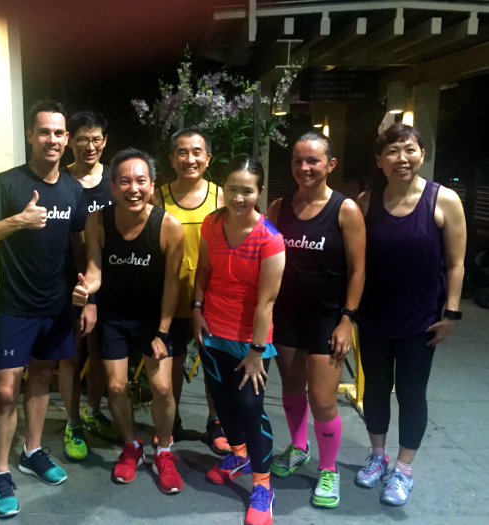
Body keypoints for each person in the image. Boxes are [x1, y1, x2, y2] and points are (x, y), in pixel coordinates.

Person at [0, 100, 87, 518]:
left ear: (67, 140)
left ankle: (32, 452)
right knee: (4, 391)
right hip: (15, 307)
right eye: (44, 131)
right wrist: (18, 221)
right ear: (30, 135)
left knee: (42, 379)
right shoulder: (7, 184)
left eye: (59, 133)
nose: (52, 139)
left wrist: (86, 288)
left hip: (56, 307)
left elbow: (79, 245)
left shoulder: (72, 189)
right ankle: (1, 473)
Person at [355, 123, 466, 506]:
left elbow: (456, 264)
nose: (401, 159)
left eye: (409, 150)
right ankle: (377, 456)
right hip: (373, 317)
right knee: (374, 390)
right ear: (379, 160)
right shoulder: (366, 202)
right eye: (392, 151)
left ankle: (403, 469)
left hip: (422, 321)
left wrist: (451, 314)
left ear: (421, 154)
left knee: (411, 393)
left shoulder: (443, 199)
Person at [72, 148, 185, 494]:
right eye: (124, 181)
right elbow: (94, 270)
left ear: (152, 185)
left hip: (152, 319)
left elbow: (172, 285)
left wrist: (163, 331)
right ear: (112, 187)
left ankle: (163, 450)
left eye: (140, 181)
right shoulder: (97, 221)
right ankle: (131, 445)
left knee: (162, 388)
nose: (132, 188)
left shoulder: (168, 226)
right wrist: (86, 291)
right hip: (114, 317)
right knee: (117, 386)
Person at [267, 131, 365, 509]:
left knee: (323, 400)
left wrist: (347, 320)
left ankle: (328, 469)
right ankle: (298, 447)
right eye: (298, 160)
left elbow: (358, 270)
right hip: (287, 316)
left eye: (313, 161)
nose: (304, 167)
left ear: (330, 165)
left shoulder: (345, 210)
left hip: (327, 318)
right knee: (292, 389)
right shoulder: (279, 208)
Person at [193, 158, 285, 525]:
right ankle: (239, 455)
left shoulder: (270, 238)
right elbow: (204, 271)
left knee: (250, 407)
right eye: (232, 189)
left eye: (247, 190)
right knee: (223, 403)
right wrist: (197, 309)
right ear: (223, 189)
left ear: (259, 192)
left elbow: (267, 303)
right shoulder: (212, 223)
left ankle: (263, 486)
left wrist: (256, 352)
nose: (238, 197)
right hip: (213, 330)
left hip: (251, 340)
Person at [154, 127, 229, 454]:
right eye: (182, 152)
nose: (190, 159)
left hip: (211, 299)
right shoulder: (158, 197)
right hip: (169, 298)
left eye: (197, 152)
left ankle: (217, 421)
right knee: (171, 363)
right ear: (172, 159)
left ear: (208, 158)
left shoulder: (220, 196)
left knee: (213, 364)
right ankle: (171, 422)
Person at [59, 110, 120, 457]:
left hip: (109, 281)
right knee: (71, 354)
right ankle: (72, 424)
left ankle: (93, 413)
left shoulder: (115, 180)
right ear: (70, 141)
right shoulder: (60, 180)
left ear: (105, 141)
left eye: (96, 139)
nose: (90, 146)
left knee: (100, 352)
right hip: (67, 282)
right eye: (82, 139)